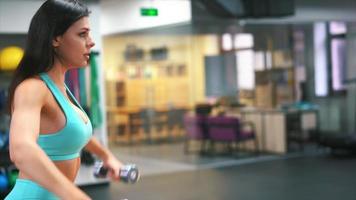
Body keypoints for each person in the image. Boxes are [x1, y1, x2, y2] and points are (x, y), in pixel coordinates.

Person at [5, 0, 123, 199]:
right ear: (55, 39)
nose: (91, 41)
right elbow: (21, 149)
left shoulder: (61, 88)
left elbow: (76, 132)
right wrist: (77, 196)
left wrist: (106, 155)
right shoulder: (32, 88)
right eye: (82, 34)